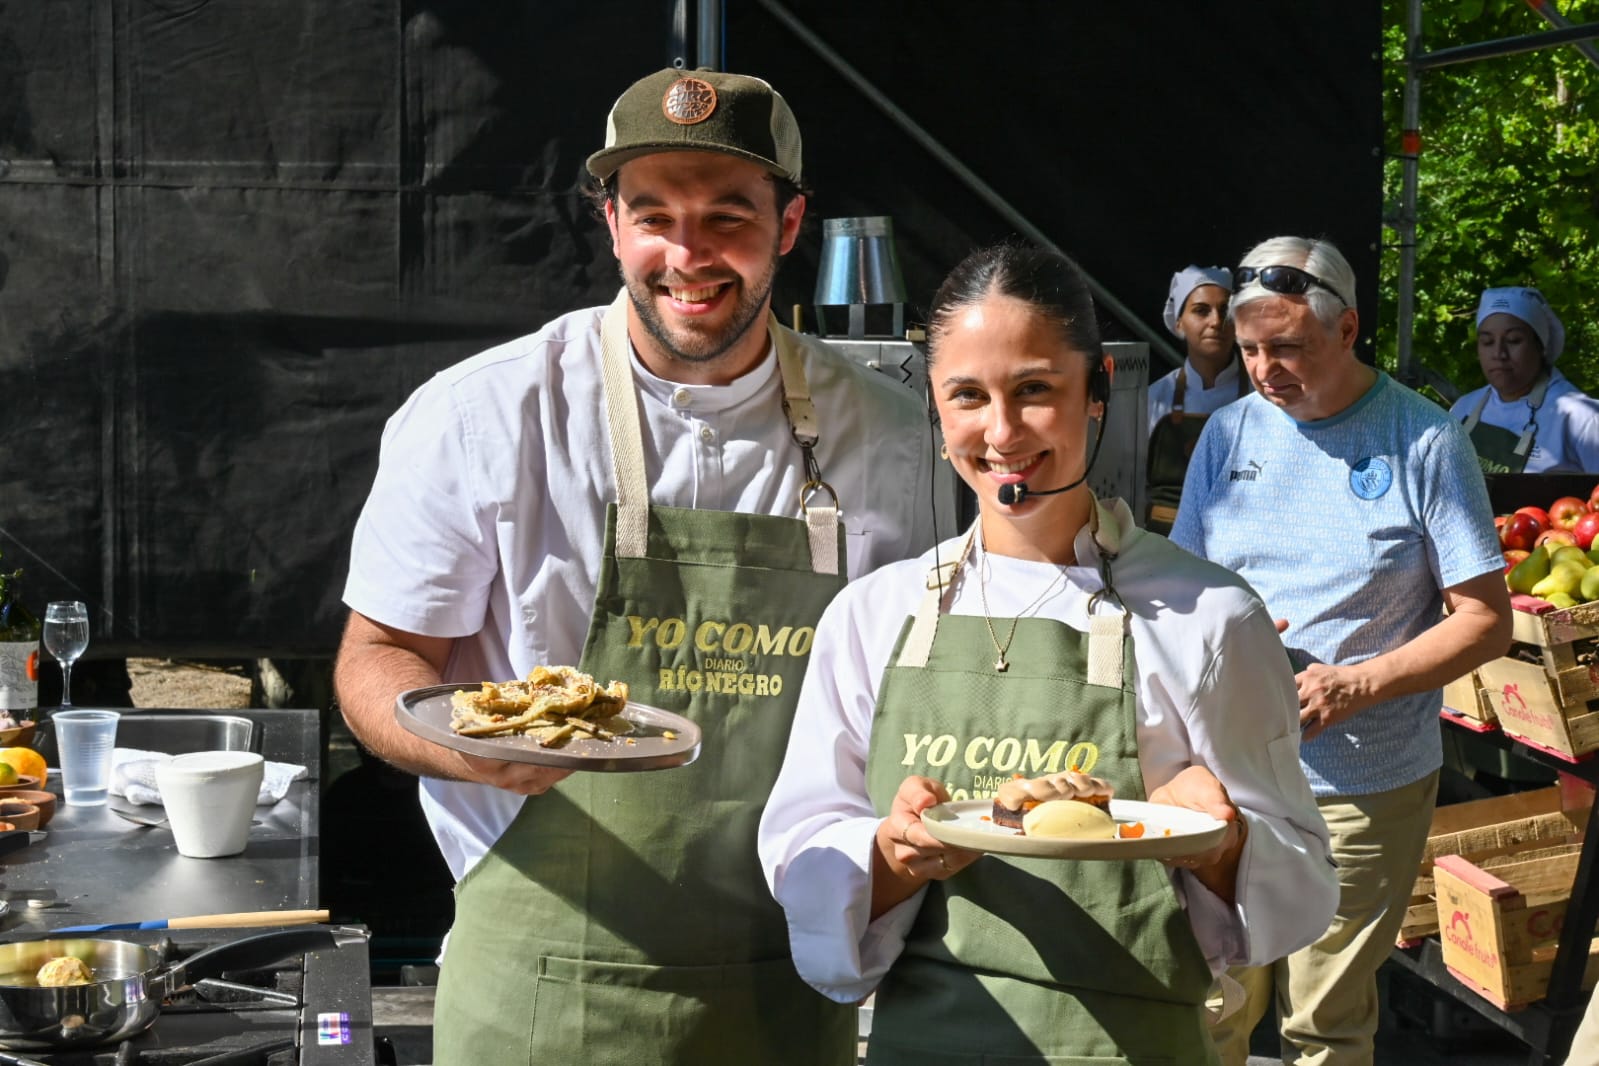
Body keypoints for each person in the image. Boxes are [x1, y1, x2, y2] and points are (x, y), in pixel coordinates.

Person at [333, 67, 939, 1065]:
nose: (687, 254)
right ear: (611, 223)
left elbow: (913, 687)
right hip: (540, 992)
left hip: (789, 992)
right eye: (653, 215)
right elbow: (376, 658)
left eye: (727, 216)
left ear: (790, 227)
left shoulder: (892, 436)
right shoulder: (483, 413)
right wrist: (466, 749)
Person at [758, 241, 1338, 1065]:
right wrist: (890, 855)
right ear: (933, 404)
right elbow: (802, 845)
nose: (1000, 433)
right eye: (967, 396)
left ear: (1096, 389)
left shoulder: (1209, 618)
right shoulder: (872, 614)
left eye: (1034, 390)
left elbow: (1304, 890)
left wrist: (1224, 845)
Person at [1171, 236, 1514, 1065]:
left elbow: (1484, 620)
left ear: (1349, 327)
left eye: (1286, 347)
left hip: (1360, 783)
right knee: (1209, 1006)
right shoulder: (1227, 434)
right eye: (1250, 349)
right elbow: (1180, 583)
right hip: (1228, 773)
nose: (1263, 370)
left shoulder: (1423, 440)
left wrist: (1353, 686)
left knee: (1321, 1024)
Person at [1448, 285, 1599, 474]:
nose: (1499, 353)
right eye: (1487, 342)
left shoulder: (1581, 419)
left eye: (1513, 340)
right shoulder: (1463, 409)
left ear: (1541, 346)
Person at [1145, 264, 1246, 533]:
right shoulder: (1155, 398)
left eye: (1225, 311)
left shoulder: (1262, 398)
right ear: (1179, 323)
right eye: (1201, 311)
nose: (1216, 321)